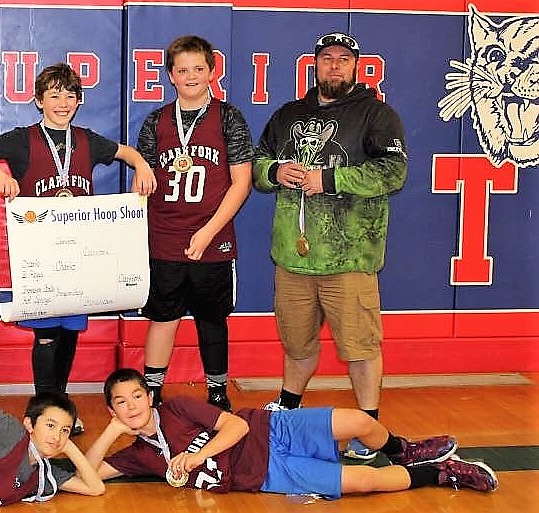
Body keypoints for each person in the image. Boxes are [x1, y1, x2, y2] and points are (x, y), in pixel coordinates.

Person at [0, 62, 156, 435]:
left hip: (80, 256)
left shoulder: (85, 141)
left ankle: (60, 406)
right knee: (46, 335)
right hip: (41, 256)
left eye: (70, 95)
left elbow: (127, 152)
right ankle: (43, 410)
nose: (62, 101)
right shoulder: (24, 140)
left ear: (80, 101)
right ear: (39, 100)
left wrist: (142, 167)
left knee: (68, 334)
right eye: (53, 94)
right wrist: (1, 174)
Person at [251, 32, 408, 460]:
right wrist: (275, 172)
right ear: (314, 65)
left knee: (359, 346)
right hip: (293, 256)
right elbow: (258, 163)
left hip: (350, 257)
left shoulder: (376, 115)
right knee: (296, 342)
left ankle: (369, 424)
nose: (334, 66)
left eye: (343, 59)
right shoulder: (288, 115)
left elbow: (394, 172)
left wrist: (332, 179)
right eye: (326, 58)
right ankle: (287, 406)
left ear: (356, 67)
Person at [85, 368, 498, 500]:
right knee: (364, 481)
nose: (133, 406)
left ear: (148, 396)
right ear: (113, 409)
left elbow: (237, 424)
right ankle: (445, 473)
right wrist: (109, 433)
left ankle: (404, 449)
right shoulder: (137, 455)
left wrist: (193, 457)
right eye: (121, 402)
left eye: (137, 395)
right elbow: (84, 479)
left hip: (271, 428)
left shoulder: (175, 407)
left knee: (358, 421)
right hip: (266, 475)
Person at [136, 35, 253, 412]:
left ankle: (217, 390)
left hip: (213, 234)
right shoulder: (156, 121)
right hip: (165, 236)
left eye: (198, 69)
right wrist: (142, 179)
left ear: (211, 72)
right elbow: (145, 176)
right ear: (170, 75)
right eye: (182, 69)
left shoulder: (228, 117)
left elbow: (241, 182)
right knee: (163, 316)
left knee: (212, 318)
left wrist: (208, 231)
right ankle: (152, 390)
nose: (190, 76)